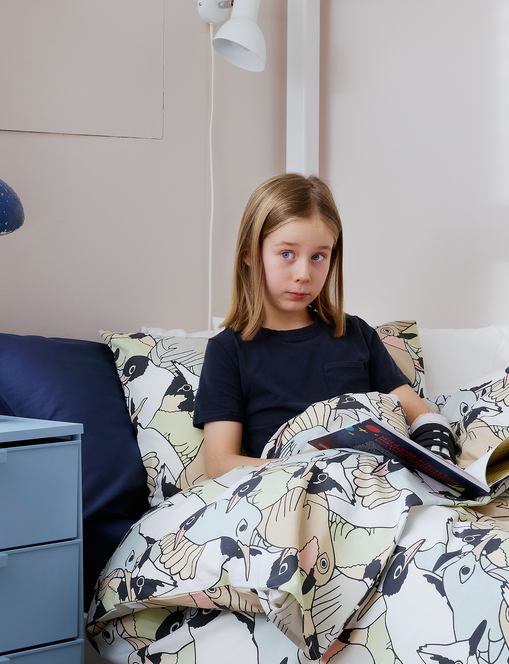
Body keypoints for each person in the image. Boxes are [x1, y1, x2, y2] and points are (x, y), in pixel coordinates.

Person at [193, 173, 455, 479]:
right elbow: (220, 464)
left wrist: (438, 464)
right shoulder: (227, 351)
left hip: (374, 481)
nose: (304, 274)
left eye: (318, 256)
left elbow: (421, 414)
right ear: (250, 255)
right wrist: (308, 462)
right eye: (287, 254)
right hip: (291, 485)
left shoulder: (356, 334)